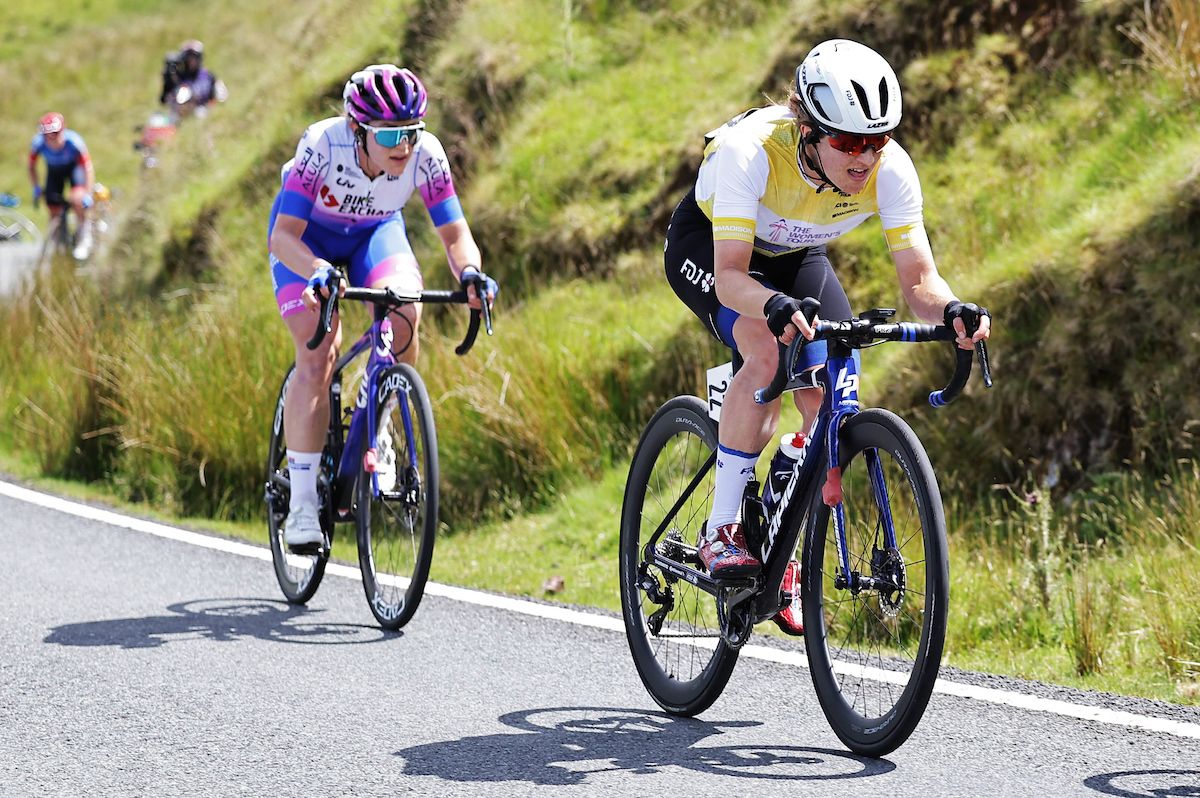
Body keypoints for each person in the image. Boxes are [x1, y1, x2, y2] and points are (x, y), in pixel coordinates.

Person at [663, 39, 991, 634]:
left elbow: (919, 280)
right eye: (846, 142)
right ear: (807, 128)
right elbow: (734, 276)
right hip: (713, 249)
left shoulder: (890, 171)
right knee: (765, 353)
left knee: (831, 401)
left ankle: (786, 516)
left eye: (877, 141)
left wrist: (953, 312)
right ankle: (723, 529)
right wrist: (773, 305)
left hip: (794, 256)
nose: (864, 159)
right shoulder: (750, 155)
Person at [268, 63, 497, 548]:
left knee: (407, 313)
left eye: (412, 132)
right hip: (308, 240)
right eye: (390, 133)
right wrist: (315, 270)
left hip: (374, 233)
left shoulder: (426, 155)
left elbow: (455, 234)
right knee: (317, 352)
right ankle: (304, 504)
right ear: (357, 129)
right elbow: (283, 236)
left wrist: (471, 274)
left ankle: (382, 420)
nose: (404, 146)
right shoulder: (322, 145)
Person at [27, 112, 95, 260]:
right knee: (52, 205)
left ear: (63, 131)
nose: (51, 140)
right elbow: (31, 166)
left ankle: (84, 235)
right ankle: (58, 241)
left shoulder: (74, 142)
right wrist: (36, 187)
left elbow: (88, 168)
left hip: (74, 169)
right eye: (47, 136)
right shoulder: (38, 144)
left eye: (55, 134)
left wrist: (87, 194)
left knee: (77, 199)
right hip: (54, 171)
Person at [160, 39, 227, 117]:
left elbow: (220, 98)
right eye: (188, 58)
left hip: (204, 111)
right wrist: (169, 80)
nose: (191, 61)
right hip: (181, 115)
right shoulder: (178, 78)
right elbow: (164, 100)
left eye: (194, 57)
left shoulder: (208, 76)